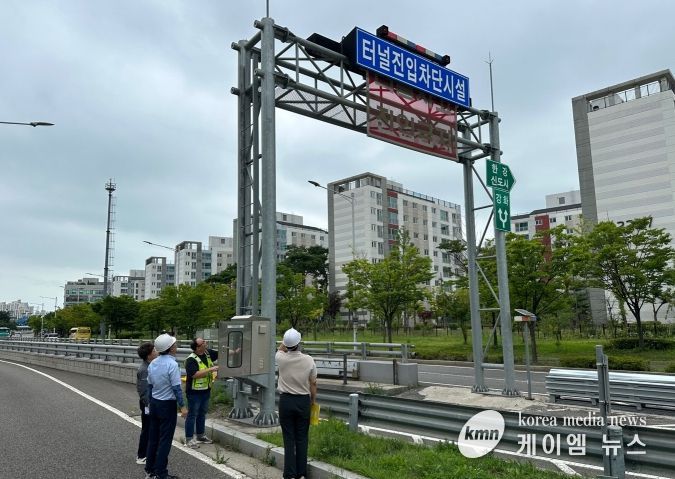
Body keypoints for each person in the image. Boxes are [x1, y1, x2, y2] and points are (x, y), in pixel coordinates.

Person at [276, 328, 317, 479]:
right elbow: (313, 383)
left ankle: (290, 474)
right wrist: (312, 401)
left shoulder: (280, 358)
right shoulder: (309, 360)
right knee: (302, 438)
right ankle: (301, 473)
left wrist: (285, 342)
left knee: (289, 438)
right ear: (299, 343)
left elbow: (281, 348)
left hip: (286, 401)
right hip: (303, 401)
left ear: (286, 344)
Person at [145, 333, 187, 479]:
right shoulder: (172, 365)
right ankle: (161, 473)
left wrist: (150, 403)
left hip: (155, 403)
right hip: (167, 405)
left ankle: (150, 469)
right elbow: (176, 388)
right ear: (170, 348)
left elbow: (150, 386)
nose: (176, 346)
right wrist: (183, 406)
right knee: (165, 440)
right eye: (174, 345)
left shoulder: (153, 363)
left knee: (153, 438)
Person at [184, 337, 219, 447]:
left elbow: (222, 354)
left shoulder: (208, 353)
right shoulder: (191, 359)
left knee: (202, 414)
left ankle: (200, 436)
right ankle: (189, 439)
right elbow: (194, 375)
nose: (205, 343)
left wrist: (236, 351)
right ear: (197, 348)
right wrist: (211, 369)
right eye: (203, 342)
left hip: (205, 390)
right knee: (192, 415)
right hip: (194, 393)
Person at [135, 342, 158, 465]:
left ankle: (148, 453)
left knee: (151, 428)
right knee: (147, 429)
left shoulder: (151, 365)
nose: (156, 352)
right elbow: (143, 390)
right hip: (148, 404)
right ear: (149, 355)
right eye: (154, 351)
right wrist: (149, 405)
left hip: (151, 402)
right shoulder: (145, 369)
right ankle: (141, 455)